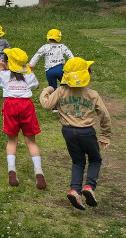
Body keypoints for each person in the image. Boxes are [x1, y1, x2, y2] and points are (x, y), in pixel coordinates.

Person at [40, 57, 112, 210]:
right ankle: (89, 187)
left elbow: (46, 105)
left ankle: (75, 190)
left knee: (78, 161)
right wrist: (105, 135)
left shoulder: (61, 91)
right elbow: (105, 115)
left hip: (68, 132)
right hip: (87, 132)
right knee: (95, 159)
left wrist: (46, 90)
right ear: (87, 75)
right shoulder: (92, 94)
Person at [0, 48, 46, 190]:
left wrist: (1, 68)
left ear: (8, 63)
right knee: (31, 141)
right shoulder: (28, 75)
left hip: (10, 105)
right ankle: (39, 173)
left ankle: (12, 170)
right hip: (26, 105)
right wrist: (30, 71)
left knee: (12, 140)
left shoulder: (4, 75)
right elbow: (36, 85)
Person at [28, 29, 74, 101]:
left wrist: (31, 64)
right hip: (60, 69)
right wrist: (74, 64)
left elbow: (37, 55)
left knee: (52, 87)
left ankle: (54, 106)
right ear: (59, 37)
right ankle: (67, 100)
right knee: (66, 85)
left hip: (49, 71)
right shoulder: (62, 46)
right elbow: (70, 56)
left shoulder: (44, 47)